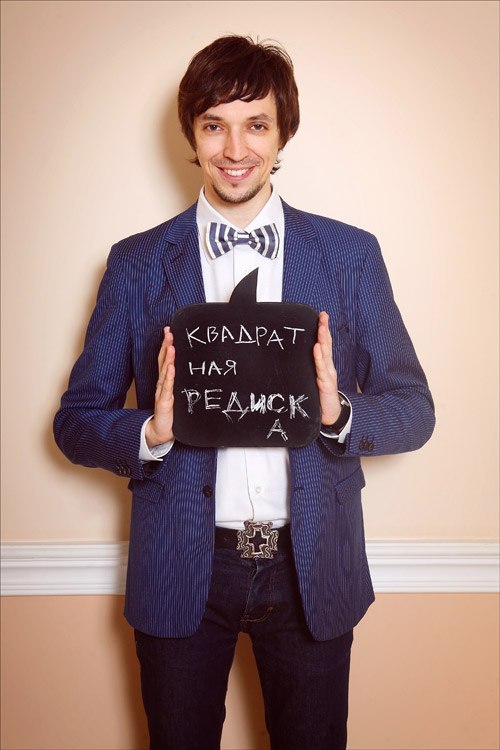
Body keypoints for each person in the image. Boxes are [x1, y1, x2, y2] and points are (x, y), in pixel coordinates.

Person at [54, 35, 435, 750]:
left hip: (311, 566)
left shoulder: (349, 255)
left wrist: (338, 415)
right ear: (192, 135)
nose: (235, 149)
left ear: (282, 132)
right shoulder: (137, 263)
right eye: (214, 125)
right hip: (181, 565)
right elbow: (75, 422)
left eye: (256, 124)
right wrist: (149, 432)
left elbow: (415, 409)